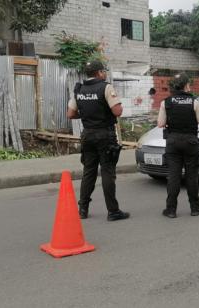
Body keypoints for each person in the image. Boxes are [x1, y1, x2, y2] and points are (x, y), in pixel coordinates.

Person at [67, 60, 130, 221]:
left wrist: (88, 114)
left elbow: (71, 114)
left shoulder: (79, 89)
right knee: (107, 172)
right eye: (103, 71)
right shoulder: (105, 87)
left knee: (89, 172)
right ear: (99, 73)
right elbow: (117, 111)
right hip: (104, 135)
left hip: (87, 135)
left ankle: (82, 209)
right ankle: (113, 211)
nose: (104, 74)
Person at [157, 73, 199, 218]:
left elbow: (160, 124)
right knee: (191, 176)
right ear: (186, 86)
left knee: (173, 176)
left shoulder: (166, 102)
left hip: (172, 142)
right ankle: (195, 208)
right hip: (190, 142)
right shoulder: (194, 102)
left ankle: (171, 210)